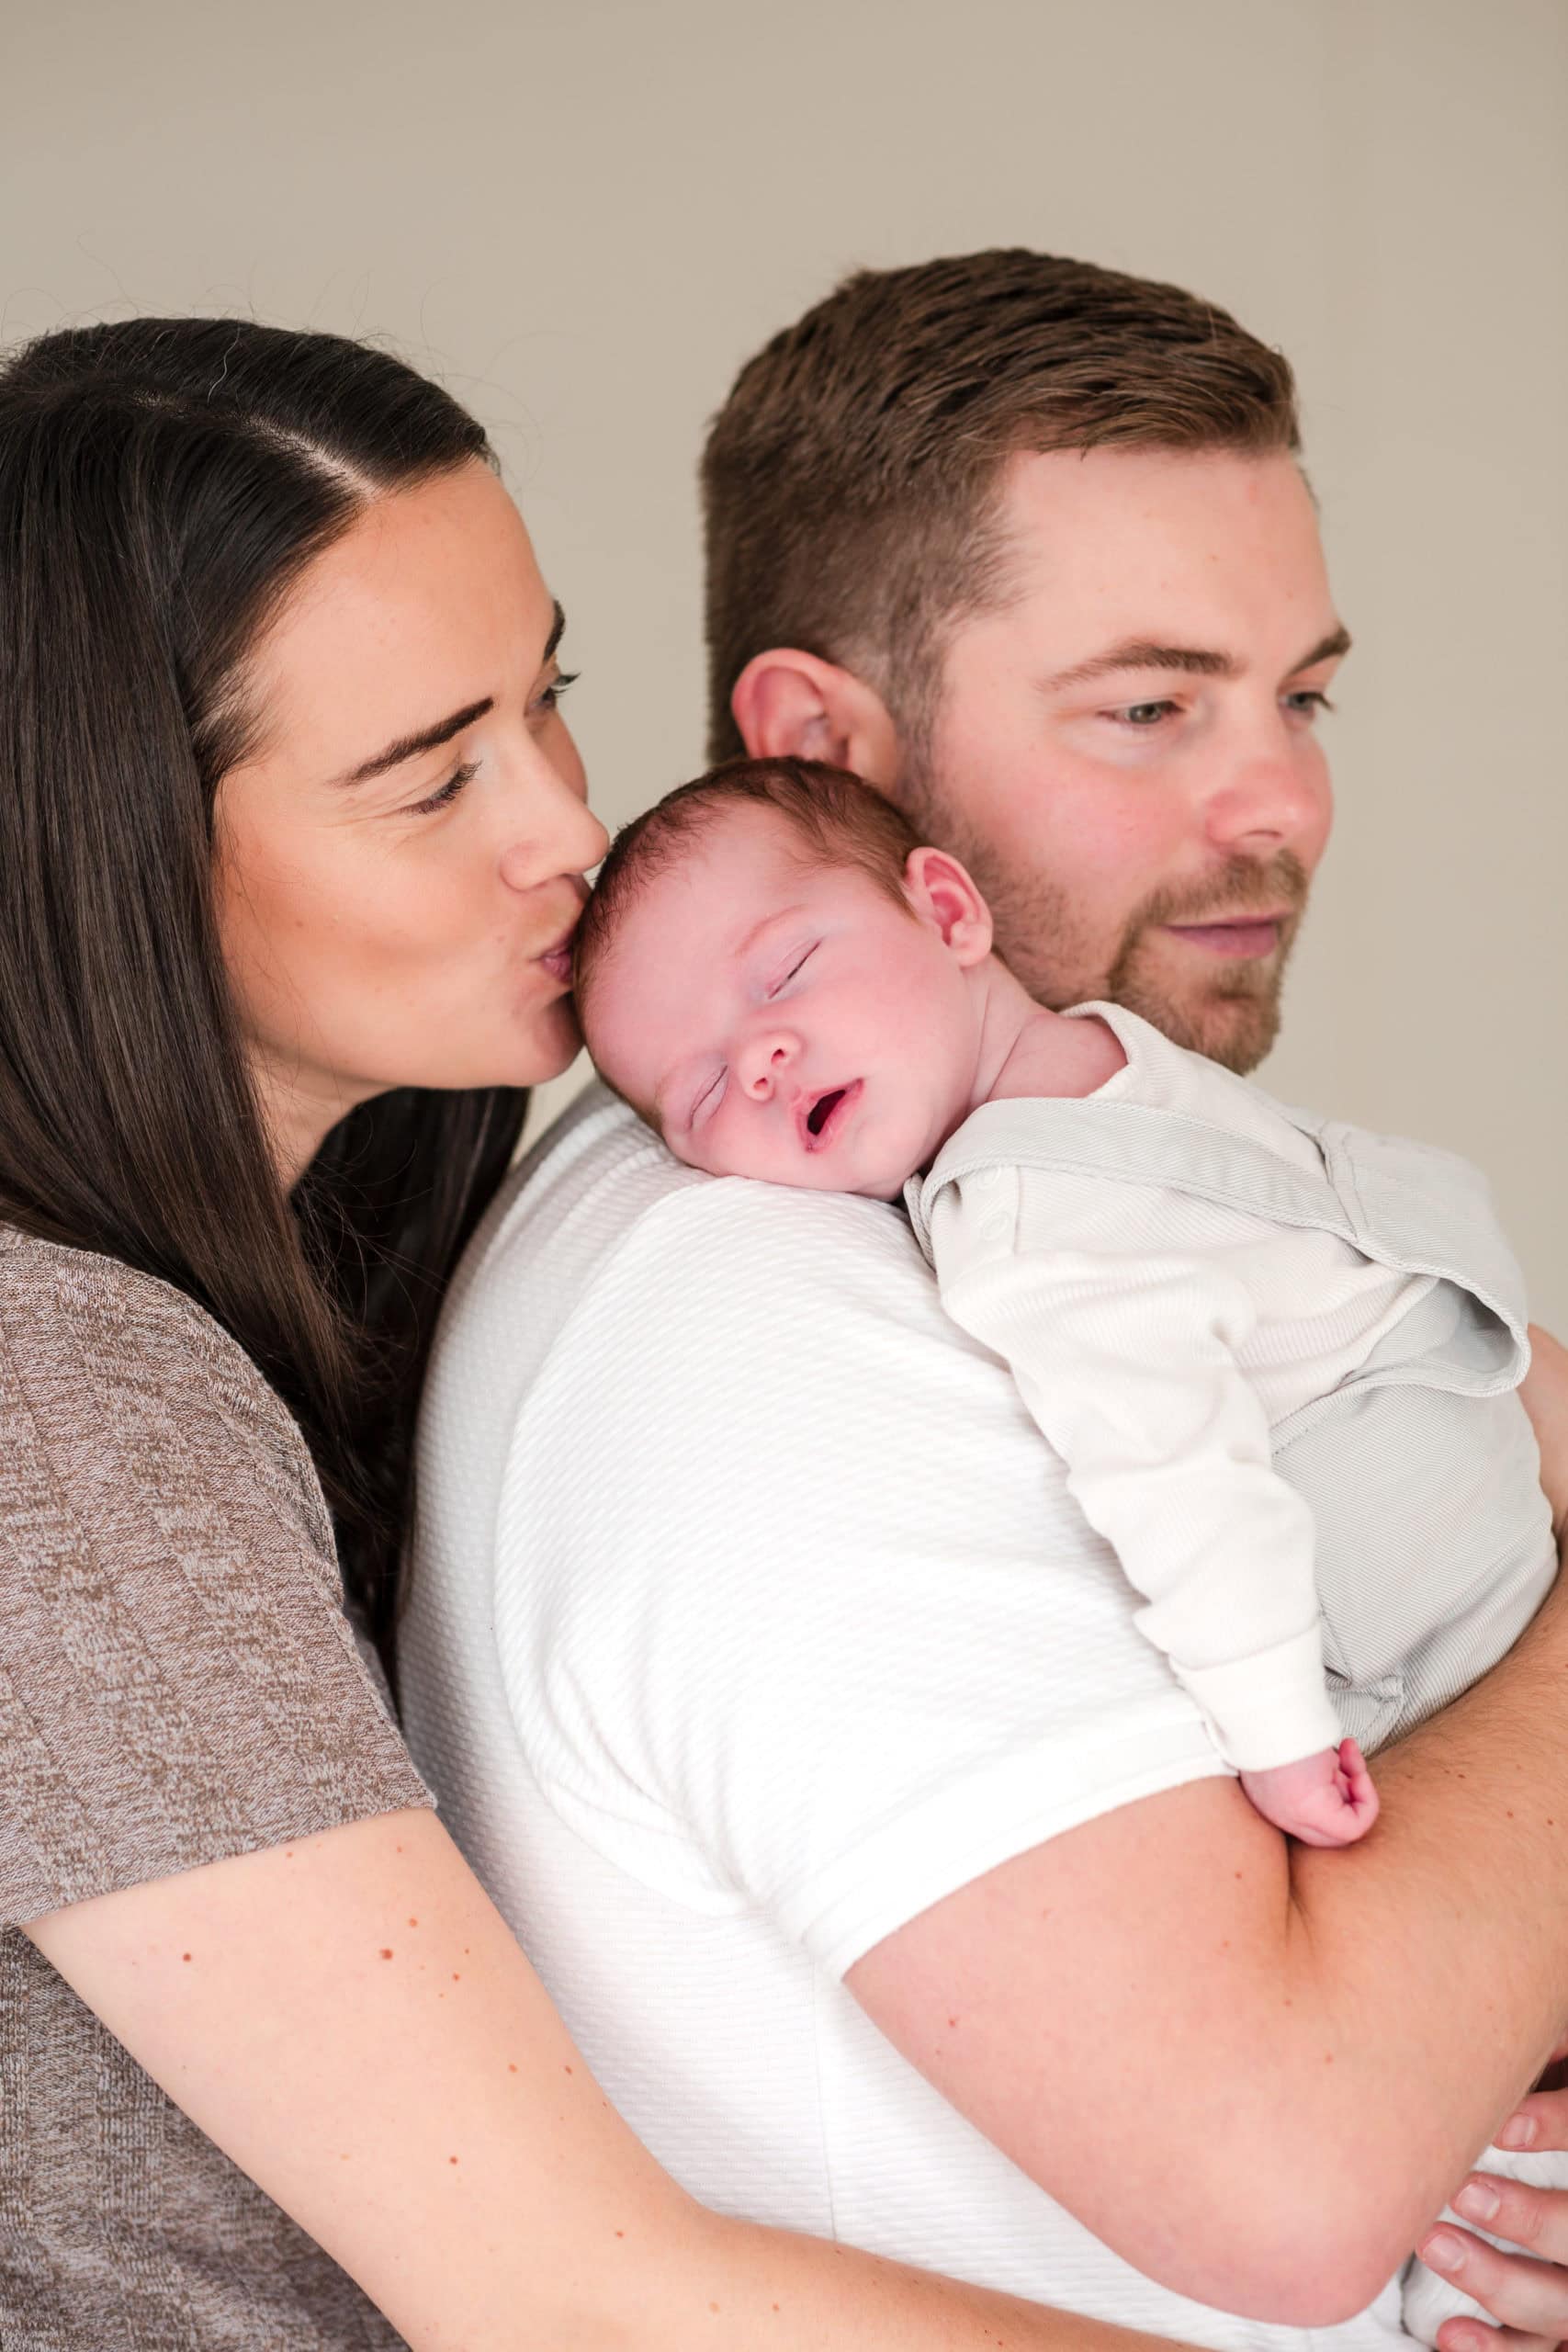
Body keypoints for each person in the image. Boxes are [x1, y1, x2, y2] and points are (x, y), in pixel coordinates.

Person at [1, 312, 1224, 2352]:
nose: (568, 821)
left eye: (543, 696)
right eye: (428, 775)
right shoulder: (54, 1397)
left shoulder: (417, 1252)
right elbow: (566, 2288)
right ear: (106, 855)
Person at [400, 250, 1568, 2352]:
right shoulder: (742, 1314)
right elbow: (1290, 2173)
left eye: (1291, 695)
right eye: (1144, 705)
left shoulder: (989, 1180)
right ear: (819, 739)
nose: (1276, 798)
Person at [570, 751, 1559, 1852]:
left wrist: (1276, 1732)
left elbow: (1183, 1457)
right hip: (1461, 1530)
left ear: (946, 911)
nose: (758, 1058)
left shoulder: (1036, 1189)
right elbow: (1195, 1416)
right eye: (698, 1089)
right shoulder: (1066, 1125)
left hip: (1413, 1586)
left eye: (787, 969)